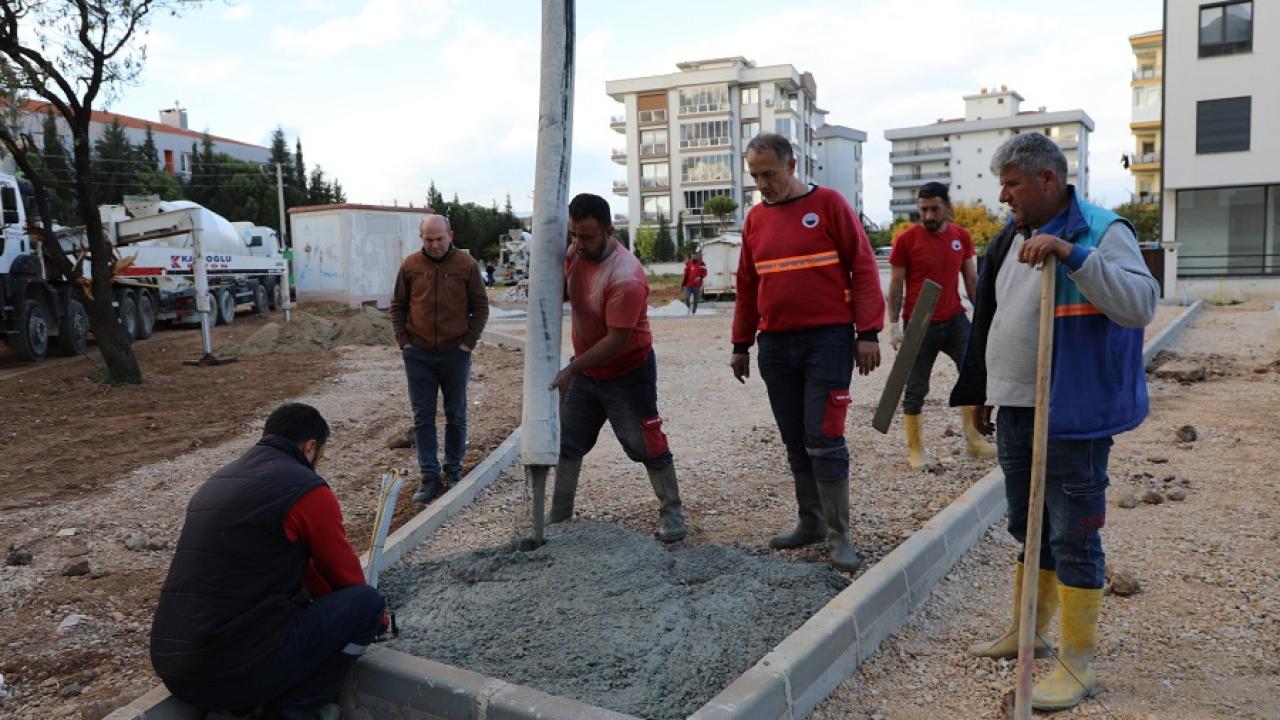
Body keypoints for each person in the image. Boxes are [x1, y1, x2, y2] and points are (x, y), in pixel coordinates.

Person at [952, 133, 1158, 710]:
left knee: (1073, 535)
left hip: (1072, 411)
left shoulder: (1100, 230)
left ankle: (1078, 663)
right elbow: (992, 318)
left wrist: (1075, 256)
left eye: (1012, 184)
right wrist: (983, 390)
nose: (1002, 195)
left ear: (1048, 179)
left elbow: (1141, 303)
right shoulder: (1008, 239)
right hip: (1016, 405)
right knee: (1029, 526)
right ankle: (1030, 635)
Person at [151, 403, 385, 720]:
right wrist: (378, 620)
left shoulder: (218, 480)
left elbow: (303, 569)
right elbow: (344, 575)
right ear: (310, 447)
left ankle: (242, 703)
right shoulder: (306, 489)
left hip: (174, 670)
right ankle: (292, 710)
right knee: (367, 604)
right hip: (232, 673)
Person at [731, 133, 884, 572]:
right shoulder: (755, 221)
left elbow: (863, 265)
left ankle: (840, 535)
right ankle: (810, 522)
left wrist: (868, 331)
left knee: (825, 435)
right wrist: (740, 344)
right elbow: (747, 286)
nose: (763, 183)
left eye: (770, 174)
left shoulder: (830, 205)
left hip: (829, 341)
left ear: (792, 165)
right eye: (756, 176)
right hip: (776, 345)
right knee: (795, 437)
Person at [547, 193, 686, 542]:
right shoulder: (574, 254)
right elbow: (567, 293)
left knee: (645, 443)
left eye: (587, 236)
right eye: (574, 235)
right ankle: (560, 515)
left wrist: (572, 369)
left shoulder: (625, 276)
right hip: (586, 371)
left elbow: (615, 342)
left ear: (609, 231)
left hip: (628, 373)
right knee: (568, 440)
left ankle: (673, 513)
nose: (578, 244)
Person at [886, 181, 995, 470]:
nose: (929, 215)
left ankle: (974, 440)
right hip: (919, 321)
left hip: (955, 318)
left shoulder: (961, 236)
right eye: (923, 210)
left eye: (934, 209)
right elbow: (896, 285)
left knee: (974, 375)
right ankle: (916, 450)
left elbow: (972, 281)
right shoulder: (906, 240)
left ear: (947, 207)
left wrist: (983, 317)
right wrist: (893, 323)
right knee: (916, 387)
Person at [390, 214, 490, 504]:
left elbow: (480, 307)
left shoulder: (466, 265)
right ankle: (429, 476)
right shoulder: (410, 265)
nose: (434, 245)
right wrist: (404, 343)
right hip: (418, 354)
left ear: (451, 235)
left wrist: (468, 343)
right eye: (428, 239)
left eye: (439, 239)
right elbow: (397, 305)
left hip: (454, 353)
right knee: (423, 418)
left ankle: (454, 470)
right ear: (421, 238)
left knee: (456, 414)